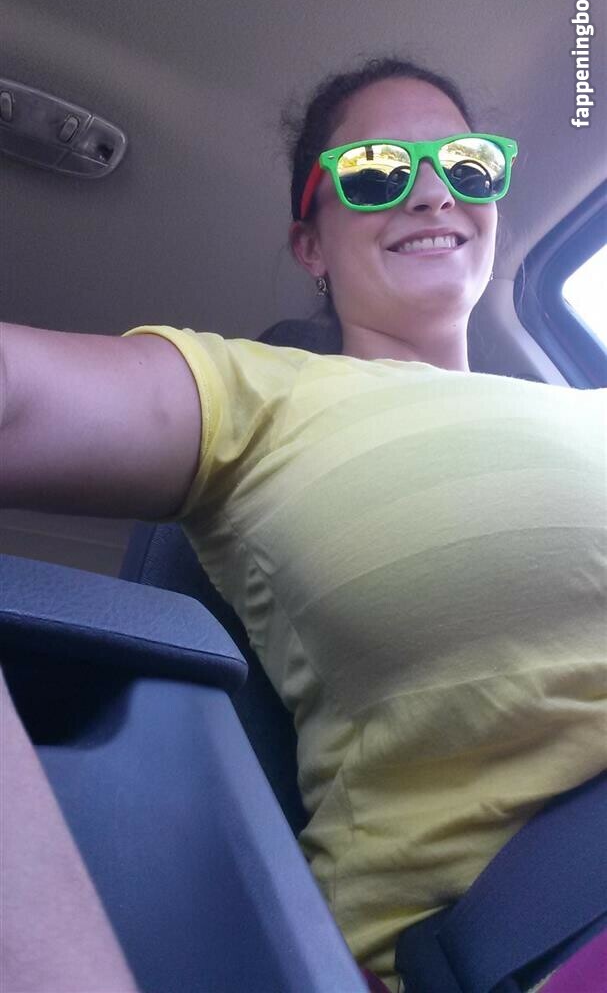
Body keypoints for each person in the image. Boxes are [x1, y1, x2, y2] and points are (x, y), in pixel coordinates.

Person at [1, 56, 605, 993]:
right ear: (309, 245)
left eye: (466, 165)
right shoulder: (256, 391)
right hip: (530, 944)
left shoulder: (590, 410)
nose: (432, 192)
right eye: (375, 170)